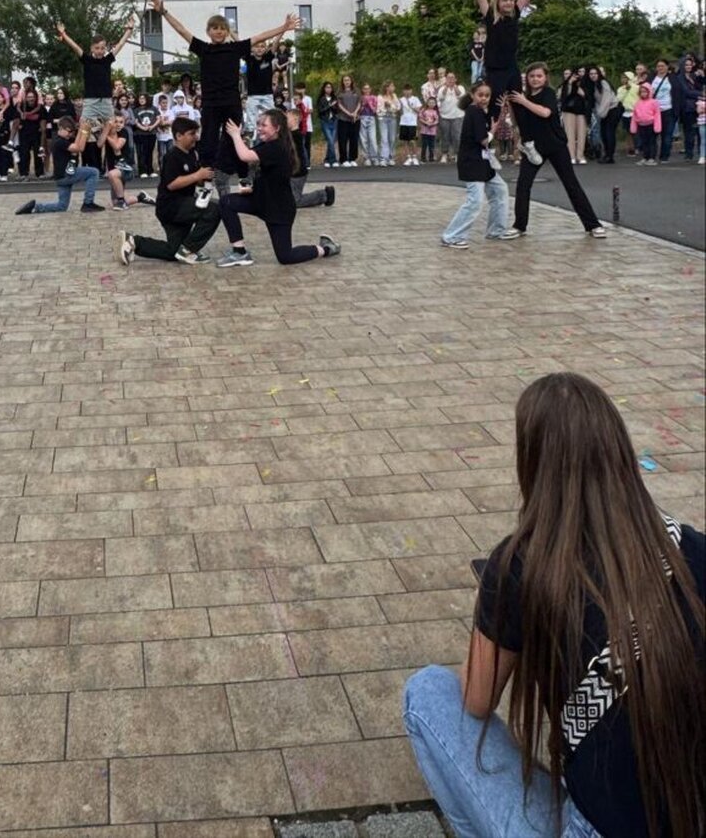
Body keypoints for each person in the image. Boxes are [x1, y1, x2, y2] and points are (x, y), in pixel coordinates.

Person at [404, 372, 704, 838]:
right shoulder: (693, 551)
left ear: (531, 463)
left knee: (427, 693)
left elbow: (476, 701)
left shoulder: (521, 565)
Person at [148, 0, 299, 182]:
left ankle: (243, 177)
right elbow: (182, 30)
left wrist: (283, 28)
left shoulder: (235, 48)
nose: (219, 32)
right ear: (208, 31)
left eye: (222, 29)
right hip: (211, 103)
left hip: (231, 102)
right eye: (215, 29)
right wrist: (164, 12)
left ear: (227, 32)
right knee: (208, 143)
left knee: (233, 140)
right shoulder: (203, 49)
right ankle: (206, 179)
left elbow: (261, 36)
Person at [214, 111, 339, 267]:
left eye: (264, 125)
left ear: (277, 128)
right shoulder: (268, 145)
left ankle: (326, 248)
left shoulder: (277, 148)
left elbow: (245, 155)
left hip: (279, 209)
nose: (259, 128)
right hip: (260, 201)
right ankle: (239, 252)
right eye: (258, 124)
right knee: (226, 202)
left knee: (285, 256)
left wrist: (235, 135)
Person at [505, 65, 606, 236]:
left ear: (545, 78)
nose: (535, 79)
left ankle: (593, 225)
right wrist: (511, 105)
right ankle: (519, 226)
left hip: (555, 145)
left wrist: (523, 101)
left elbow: (545, 113)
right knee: (523, 185)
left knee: (570, 184)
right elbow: (516, 123)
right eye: (532, 76)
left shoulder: (548, 93)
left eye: (539, 76)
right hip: (533, 148)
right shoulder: (523, 97)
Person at [454, 0, 546, 122]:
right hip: (495, 71)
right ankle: (486, 140)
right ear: (497, 2)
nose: (509, 3)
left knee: (519, 104)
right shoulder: (491, 17)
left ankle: (526, 141)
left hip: (512, 69)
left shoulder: (515, 14)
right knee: (494, 108)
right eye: (505, 0)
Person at [119, 116, 223, 265]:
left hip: (182, 205)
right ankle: (189, 250)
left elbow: (193, 179)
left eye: (196, 133)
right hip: (171, 207)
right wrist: (197, 175)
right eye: (192, 133)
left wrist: (204, 177)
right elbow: (172, 184)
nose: (196, 137)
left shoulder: (192, 154)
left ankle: (134, 242)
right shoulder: (172, 156)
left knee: (174, 252)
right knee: (215, 209)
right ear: (179, 136)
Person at [440, 80, 516, 249]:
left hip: (484, 162)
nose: (484, 98)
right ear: (473, 95)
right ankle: (451, 236)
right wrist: (493, 131)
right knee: (474, 201)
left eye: (487, 95)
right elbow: (482, 139)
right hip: (472, 162)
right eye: (480, 95)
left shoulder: (480, 112)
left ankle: (496, 229)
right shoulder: (474, 112)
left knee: (500, 190)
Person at [15, 115, 104, 215]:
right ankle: (88, 203)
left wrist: (80, 130)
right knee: (93, 172)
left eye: (72, 132)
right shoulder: (59, 142)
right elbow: (80, 148)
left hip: (62, 176)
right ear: (61, 128)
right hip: (66, 174)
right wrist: (84, 131)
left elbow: (76, 143)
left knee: (62, 206)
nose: (70, 134)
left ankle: (35, 207)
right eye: (69, 131)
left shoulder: (64, 139)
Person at [56, 16, 136, 126]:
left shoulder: (107, 59)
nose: (100, 51)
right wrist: (63, 34)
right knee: (84, 126)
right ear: (92, 48)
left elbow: (121, 44)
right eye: (97, 48)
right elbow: (75, 46)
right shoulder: (87, 60)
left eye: (103, 48)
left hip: (106, 101)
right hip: (90, 101)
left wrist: (129, 30)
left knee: (111, 126)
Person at [671, 56, 702, 162]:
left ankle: (701, 153)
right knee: (689, 132)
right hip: (687, 109)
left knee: (700, 131)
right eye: (686, 65)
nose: (688, 67)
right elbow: (686, 92)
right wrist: (701, 94)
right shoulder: (679, 78)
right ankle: (689, 154)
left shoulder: (694, 76)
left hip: (699, 107)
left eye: (690, 65)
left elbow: (701, 86)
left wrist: (701, 77)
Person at [560, 67, 591, 166]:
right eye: (578, 72)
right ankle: (571, 156)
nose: (580, 74)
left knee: (582, 134)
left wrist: (577, 86)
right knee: (570, 134)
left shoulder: (586, 84)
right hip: (568, 111)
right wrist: (570, 83)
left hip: (582, 111)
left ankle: (580, 155)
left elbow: (586, 95)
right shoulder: (565, 84)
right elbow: (564, 95)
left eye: (582, 72)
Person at [244, 44, 277, 140]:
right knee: (251, 118)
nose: (259, 48)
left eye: (262, 47)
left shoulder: (268, 58)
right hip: (253, 95)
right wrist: (231, 32)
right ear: (252, 49)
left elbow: (275, 43)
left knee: (273, 115)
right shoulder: (249, 59)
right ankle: (250, 136)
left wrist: (283, 30)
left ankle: (274, 135)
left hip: (267, 94)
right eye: (257, 46)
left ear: (266, 49)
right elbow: (239, 43)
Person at [590, 66, 621, 165]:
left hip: (612, 109)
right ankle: (606, 154)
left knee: (609, 132)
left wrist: (600, 113)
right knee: (603, 133)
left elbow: (606, 100)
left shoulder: (604, 83)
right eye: (591, 74)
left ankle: (610, 156)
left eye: (595, 73)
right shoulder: (594, 84)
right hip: (605, 111)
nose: (593, 75)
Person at [16, 88, 48, 180]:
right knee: (24, 154)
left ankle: (40, 173)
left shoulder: (40, 108)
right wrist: (19, 125)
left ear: (36, 98)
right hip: (24, 134)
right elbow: (16, 119)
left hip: (36, 133)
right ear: (25, 98)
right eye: (29, 97)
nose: (31, 98)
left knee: (38, 154)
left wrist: (42, 129)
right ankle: (24, 173)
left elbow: (44, 120)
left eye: (33, 97)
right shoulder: (21, 107)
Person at [650, 59, 676, 162]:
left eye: (662, 66)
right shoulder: (652, 78)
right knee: (653, 134)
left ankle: (664, 156)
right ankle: (652, 154)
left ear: (667, 66)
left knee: (667, 135)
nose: (660, 68)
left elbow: (678, 92)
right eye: (658, 66)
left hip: (668, 109)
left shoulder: (672, 78)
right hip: (654, 111)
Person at [436, 74, 465, 164]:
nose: (450, 80)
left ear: (455, 79)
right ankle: (445, 154)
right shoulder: (442, 88)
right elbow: (440, 98)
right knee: (445, 135)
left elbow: (461, 96)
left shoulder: (460, 87)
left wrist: (454, 87)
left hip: (458, 115)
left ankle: (457, 154)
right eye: (448, 78)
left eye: (452, 78)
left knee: (457, 136)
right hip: (444, 116)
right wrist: (446, 87)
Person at [630, 83, 661, 165]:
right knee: (644, 142)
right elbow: (634, 115)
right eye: (641, 92)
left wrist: (657, 127)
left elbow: (657, 115)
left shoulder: (654, 102)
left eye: (645, 92)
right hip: (641, 125)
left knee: (652, 142)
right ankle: (645, 157)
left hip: (651, 125)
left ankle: (652, 158)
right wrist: (633, 127)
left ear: (649, 92)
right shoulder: (638, 103)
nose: (643, 93)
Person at [334, 75, 360, 167]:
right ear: (342, 82)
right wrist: (349, 113)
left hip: (355, 119)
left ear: (351, 81)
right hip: (343, 119)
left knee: (354, 139)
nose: (347, 82)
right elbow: (339, 105)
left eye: (348, 80)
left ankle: (352, 158)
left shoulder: (356, 91)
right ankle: (343, 159)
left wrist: (355, 113)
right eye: (345, 80)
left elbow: (359, 103)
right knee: (343, 139)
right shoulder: (339, 92)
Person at [132, 93, 158, 177]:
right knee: (142, 152)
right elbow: (135, 122)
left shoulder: (153, 108)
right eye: (140, 99)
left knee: (150, 152)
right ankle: (143, 171)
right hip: (141, 134)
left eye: (143, 98)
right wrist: (143, 128)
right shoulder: (136, 110)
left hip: (152, 133)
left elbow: (159, 118)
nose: (141, 100)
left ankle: (150, 170)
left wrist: (152, 126)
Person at [376, 82, 401, 167]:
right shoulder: (380, 97)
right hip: (383, 119)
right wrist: (388, 107)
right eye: (392, 86)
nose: (393, 87)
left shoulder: (394, 96)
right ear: (387, 88)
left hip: (392, 118)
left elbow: (398, 107)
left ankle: (391, 157)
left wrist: (390, 105)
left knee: (392, 138)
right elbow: (379, 109)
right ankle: (383, 158)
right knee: (384, 138)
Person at [292, 82, 313, 172]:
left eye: (301, 88)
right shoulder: (296, 103)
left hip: (304, 127)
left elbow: (306, 112)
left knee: (304, 146)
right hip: (298, 128)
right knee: (300, 146)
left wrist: (305, 111)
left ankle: (306, 163)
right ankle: (302, 163)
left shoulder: (306, 101)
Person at [398, 86, 422, 166]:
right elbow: (399, 112)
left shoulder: (415, 99)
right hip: (403, 122)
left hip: (412, 123)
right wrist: (399, 107)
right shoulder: (401, 99)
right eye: (405, 90)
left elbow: (419, 110)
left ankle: (414, 157)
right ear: (403, 91)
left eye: (408, 90)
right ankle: (408, 158)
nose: (407, 92)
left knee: (413, 140)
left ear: (411, 91)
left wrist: (411, 105)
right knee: (405, 141)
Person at [358, 83, 379, 165]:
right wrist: (363, 105)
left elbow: (375, 111)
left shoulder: (374, 98)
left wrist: (369, 103)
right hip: (362, 117)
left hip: (371, 118)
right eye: (365, 89)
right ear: (362, 90)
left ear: (370, 89)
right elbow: (358, 110)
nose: (366, 90)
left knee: (372, 138)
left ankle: (374, 157)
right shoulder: (360, 98)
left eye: (368, 89)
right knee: (364, 139)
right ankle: (366, 158)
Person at [418, 96, 439, 164]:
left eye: (433, 103)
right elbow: (420, 118)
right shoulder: (424, 110)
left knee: (431, 144)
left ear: (435, 104)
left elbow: (437, 120)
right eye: (430, 102)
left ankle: (431, 157)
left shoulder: (435, 111)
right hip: (424, 130)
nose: (431, 104)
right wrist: (425, 123)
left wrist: (433, 123)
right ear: (427, 103)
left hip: (432, 131)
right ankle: (423, 157)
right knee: (424, 144)